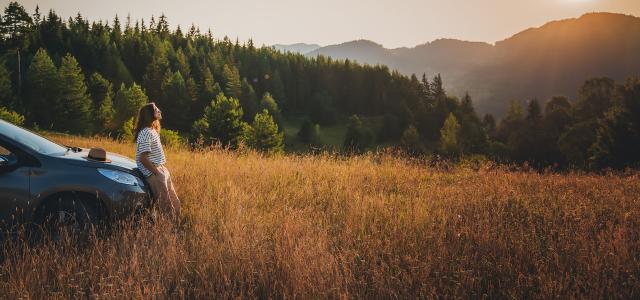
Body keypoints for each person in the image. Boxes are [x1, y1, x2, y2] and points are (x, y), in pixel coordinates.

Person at [134, 102, 180, 223]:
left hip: (160, 169)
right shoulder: (145, 132)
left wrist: (161, 171)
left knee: (175, 202)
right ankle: (169, 231)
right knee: (166, 206)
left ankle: (176, 226)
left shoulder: (152, 130)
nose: (159, 110)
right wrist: (157, 173)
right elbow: (143, 158)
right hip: (154, 172)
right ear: (149, 114)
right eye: (155, 109)